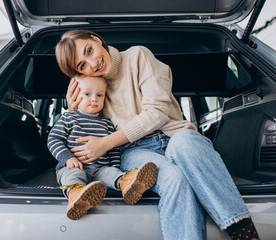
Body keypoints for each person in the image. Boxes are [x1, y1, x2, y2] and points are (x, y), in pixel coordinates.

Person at [54, 29, 260, 239]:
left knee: (185, 142)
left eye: (89, 51)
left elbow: (157, 111)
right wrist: (75, 111)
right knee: (175, 178)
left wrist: (106, 143)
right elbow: (80, 131)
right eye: (82, 66)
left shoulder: (137, 56)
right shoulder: (95, 91)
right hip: (134, 151)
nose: (93, 64)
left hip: (174, 134)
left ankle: (243, 231)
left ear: (96, 39)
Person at [47, 75, 158, 220]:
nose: (94, 99)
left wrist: (115, 167)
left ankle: (128, 184)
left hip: (100, 168)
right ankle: (76, 196)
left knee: (111, 173)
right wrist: (68, 158)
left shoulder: (107, 123)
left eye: (100, 95)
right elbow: (54, 139)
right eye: (87, 94)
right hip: (75, 166)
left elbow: (113, 148)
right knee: (73, 176)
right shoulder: (68, 118)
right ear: (75, 96)